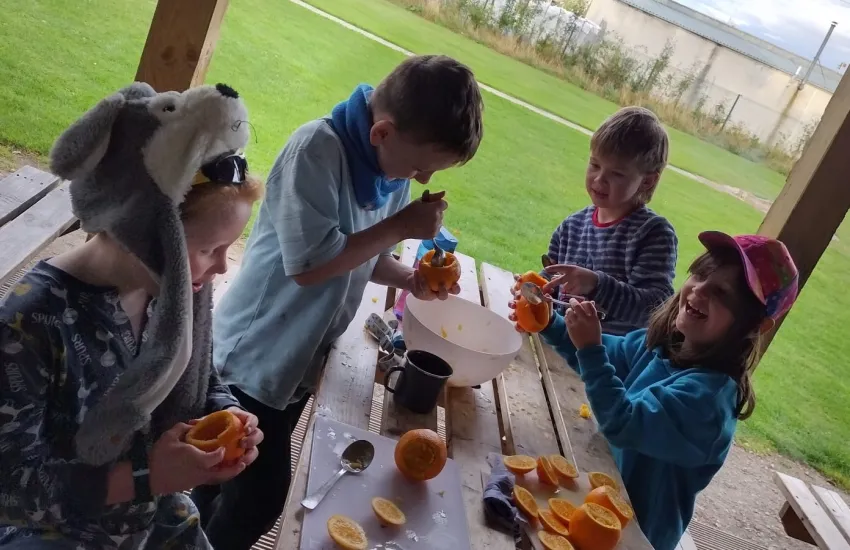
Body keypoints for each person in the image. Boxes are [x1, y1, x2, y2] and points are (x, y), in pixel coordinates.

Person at [197, 54, 484, 549]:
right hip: (257, 354)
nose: (418, 180)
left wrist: (410, 279)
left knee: (223, 471)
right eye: (420, 167)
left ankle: (185, 533)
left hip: (300, 359)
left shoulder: (386, 169)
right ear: (382, 133)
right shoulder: (316, 150)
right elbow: (311, 265)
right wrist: (401, 226)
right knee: (260, 496)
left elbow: (364, 253)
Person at [0, 156, 266, 548]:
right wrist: (147, 476)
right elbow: (12, 489)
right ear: (141, 232)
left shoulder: (174, 289)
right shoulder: (31, 324)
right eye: (211, 249)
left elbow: (198, 374)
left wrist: (223, 412)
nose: (223, 267)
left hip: (151, 517)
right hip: (57, 532)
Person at [511, 231, 798, 550]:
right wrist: (549, 321)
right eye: (700, 275)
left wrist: (590, 348)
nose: (699, 291)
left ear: (754, 326)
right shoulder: (664, 345)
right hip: (598, 497)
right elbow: (611, 355)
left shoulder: (707, 402)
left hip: (635, 534)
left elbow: (623, 423)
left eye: (722, 294)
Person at [542, 106, 678, 335]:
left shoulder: (653, 234)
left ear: (647, 181)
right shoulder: (571, 227)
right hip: (559, 345)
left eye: (617, 173)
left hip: (610, 360)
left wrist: (597, 285)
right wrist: (534, 289)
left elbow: (654, 308)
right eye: (595, 165)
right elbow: (550, 279)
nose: (599, 179)